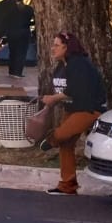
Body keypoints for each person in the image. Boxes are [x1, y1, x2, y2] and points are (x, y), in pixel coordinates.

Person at [40, 32, 105, 196]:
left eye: (56, 45)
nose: (52, 48)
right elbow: (62, 89)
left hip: (88, 109)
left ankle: (49, 140)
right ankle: (67, 186)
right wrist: (53, 100)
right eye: (53, 44)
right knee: (66, 145)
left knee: (61, 135)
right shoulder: (62, 65)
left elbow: (75, 90)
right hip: (71, 109)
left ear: (66, 47)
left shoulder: (79, 64)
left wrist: (53, 98)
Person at [6, 0, 34, 78]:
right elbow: (34, 20)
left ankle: (11, 71)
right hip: (24, 33)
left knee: (12, 52)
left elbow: (5, 22)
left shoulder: (10, 9)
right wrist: (29, 24)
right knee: (21, 53)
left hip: (12, 33)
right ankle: (18, 72)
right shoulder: (29, 9)